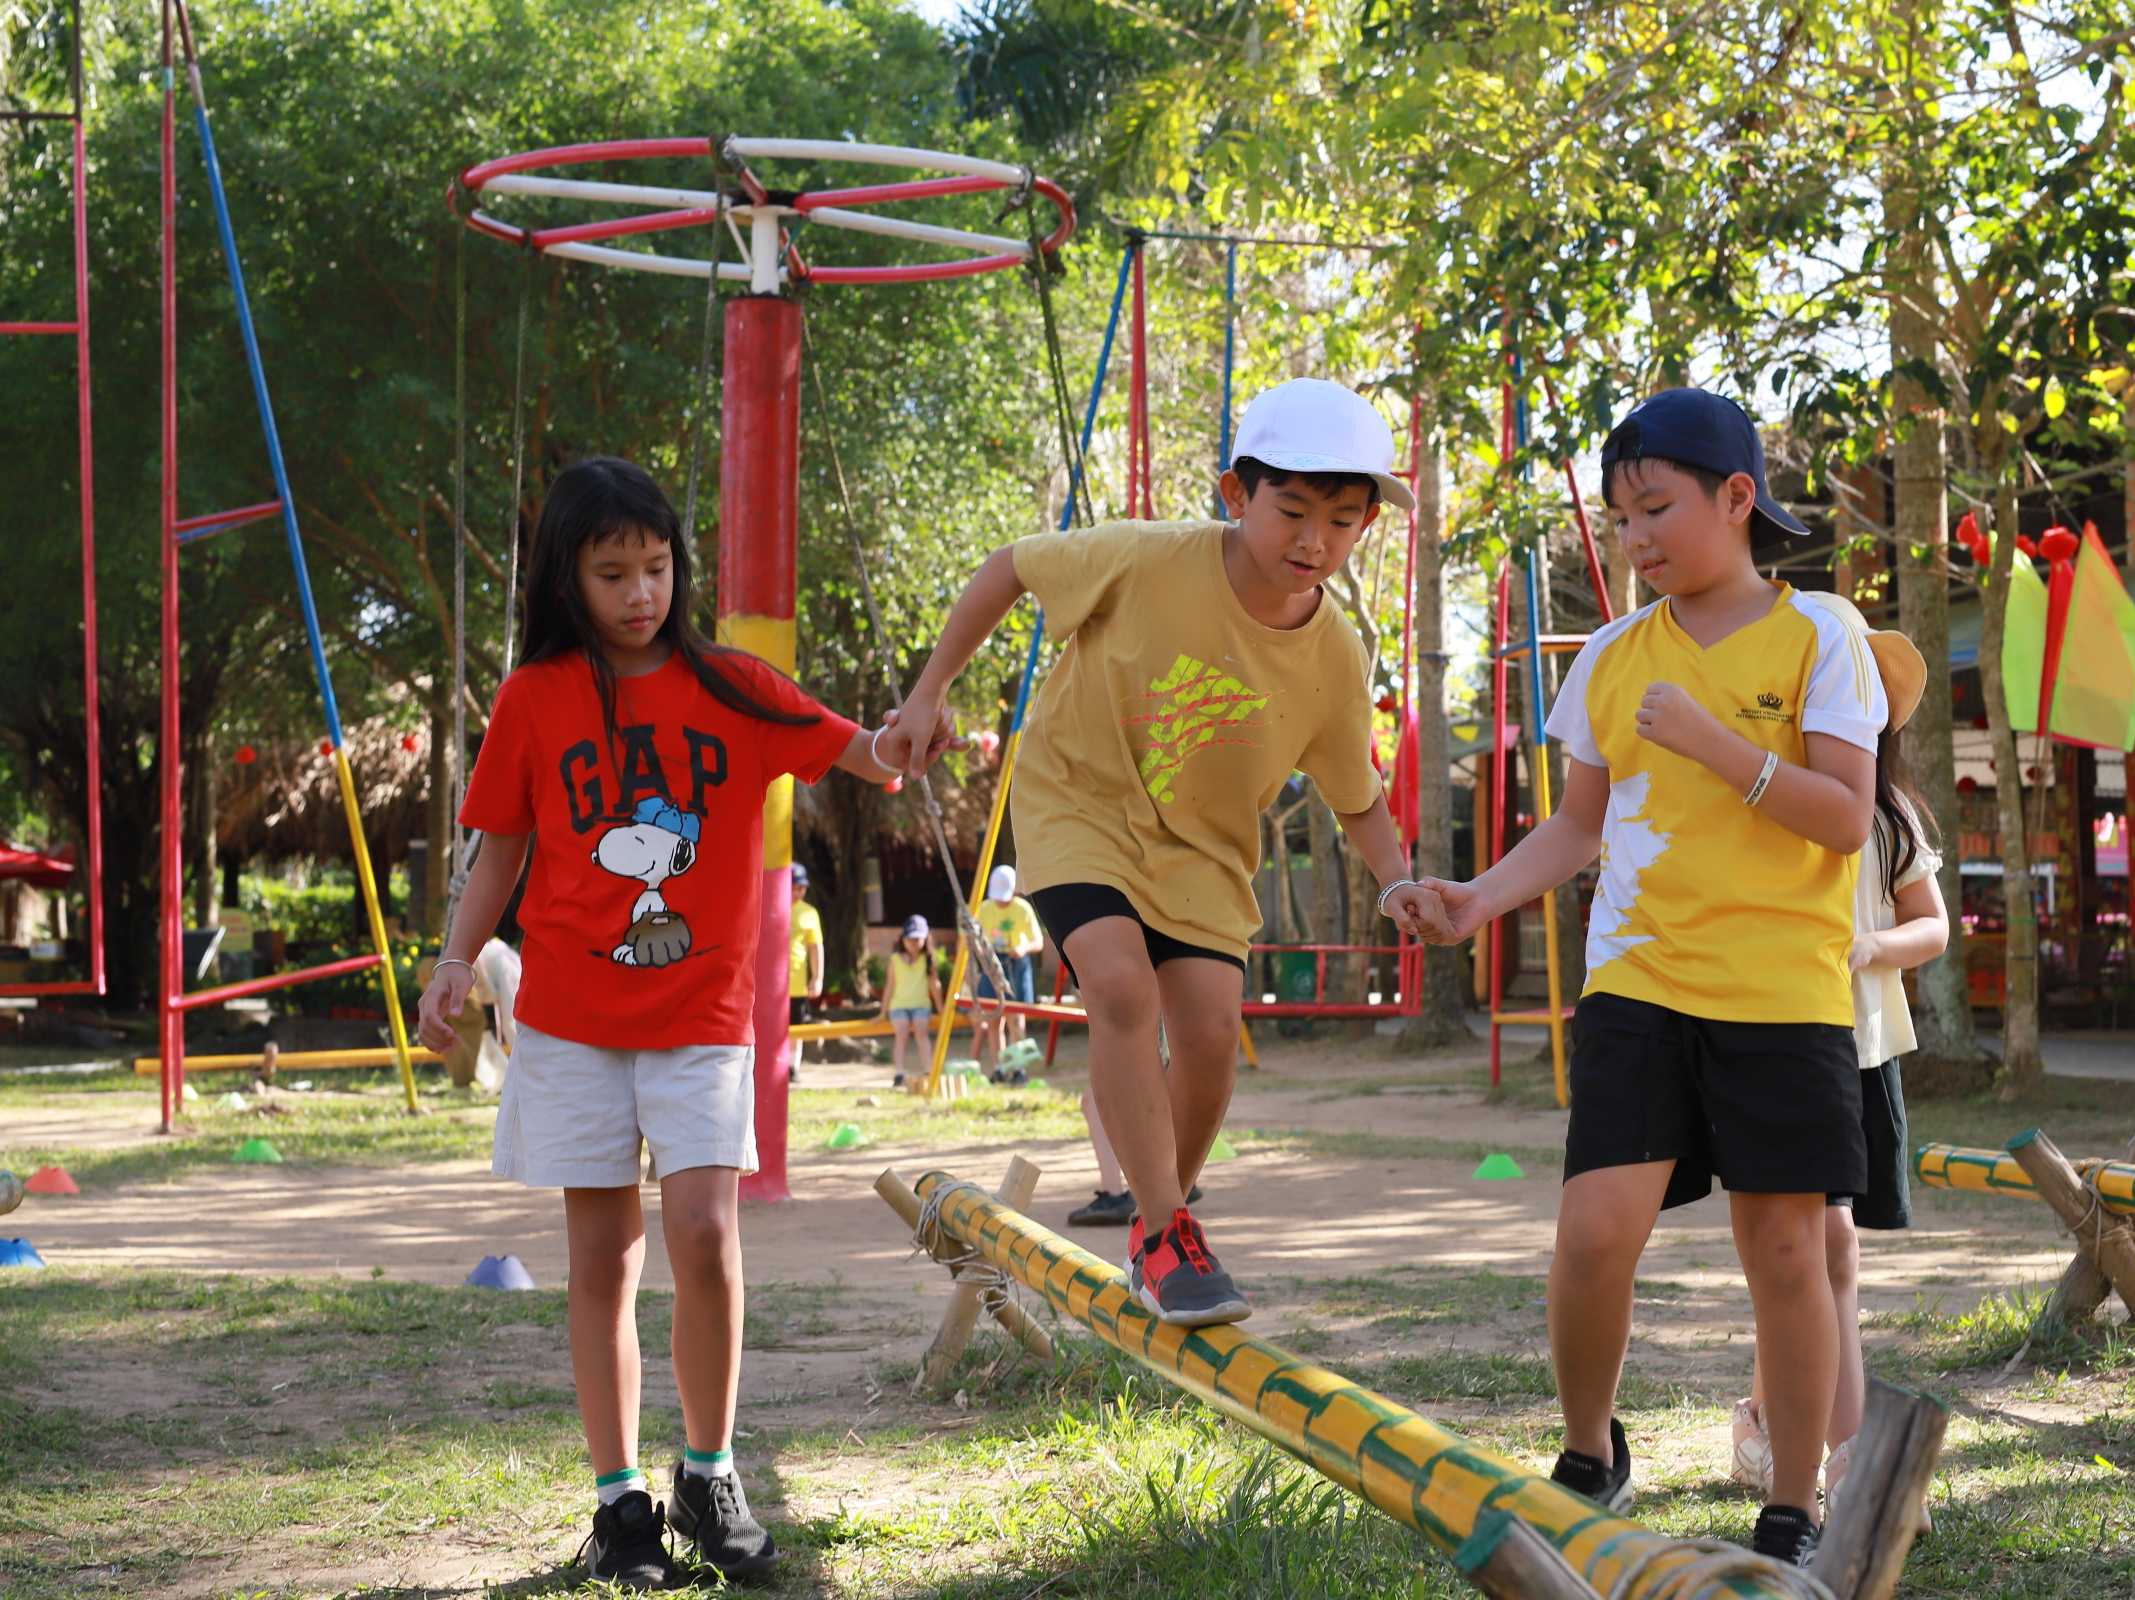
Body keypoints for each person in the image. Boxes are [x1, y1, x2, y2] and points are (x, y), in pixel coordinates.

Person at [416, 456, 944, 1590]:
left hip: (703, 1015)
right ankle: (619, 1507)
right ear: (567, 578)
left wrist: (908, 729)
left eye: (655, 567)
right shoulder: (535, 698)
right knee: (603, 1256)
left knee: (706, 1232)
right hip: (568, 1022)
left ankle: (708, 1472)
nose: (640, 592)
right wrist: (458, 956)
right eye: (613, 572)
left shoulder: (736, 685)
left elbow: (869, 758)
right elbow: (500, 841)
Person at [1413, 389, 1886, 1567]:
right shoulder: (1616, 658)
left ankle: (1794, 1495)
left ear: (1738, 500)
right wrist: (1481, 897)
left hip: (1783, 990)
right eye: (1623, 517)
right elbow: (1576, 828)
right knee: (1591, 1230)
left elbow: (1844, 817)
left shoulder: (1824, 635)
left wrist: (1720, 745)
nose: (1638, 539)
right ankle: (1588, 1452)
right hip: (1640, 977)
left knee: (1784, 1247)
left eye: (1658, 508)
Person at [888, 378, 1446, 1326]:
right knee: (1117, 985)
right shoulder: (1145, 558)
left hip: (1202, 851)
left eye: (1343, 522)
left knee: (1210, 1037)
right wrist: (931, 689)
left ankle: (1160, 1231)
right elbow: (1010, 567)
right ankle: (1164, 1221)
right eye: (1293, 511)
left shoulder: (1335, 655)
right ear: (1237, 494)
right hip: (1081, 801)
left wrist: (1399, 886)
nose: (1315, 541)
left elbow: (1357, 798)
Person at [1728, 596, 1946, 1524]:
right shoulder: (1762, 789)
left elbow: (1931, 925)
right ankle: (1830, 1451)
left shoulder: (1889, 813)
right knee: (1813, 1245)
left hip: (1856, 1046)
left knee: (1819, 1247)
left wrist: (1873, 950)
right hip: (1775, 1033)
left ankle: (1778, 1428)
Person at [973, 864, 1043, 1082]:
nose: (1002, 901)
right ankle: (999, 1068)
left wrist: (1023, 948)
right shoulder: (984, 909)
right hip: (992, 965)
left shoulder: (1023, 909)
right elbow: (973, 939)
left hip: (1017, 964)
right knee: (994, 1020)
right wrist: (982, 952)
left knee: (1016, 1019)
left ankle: (1019, 1068)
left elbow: (1038, 941)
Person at [883, 915, 938, 1090]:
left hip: (921, 1005)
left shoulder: (928, 959)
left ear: (925, 939)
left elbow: (935, 985)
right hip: (899, 1005)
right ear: (903, 939)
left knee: (921, 1030)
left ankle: (929, 1070)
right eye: (910, 939)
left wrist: (941, 1008)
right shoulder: (895, 960)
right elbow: (889, 986)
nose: (913, 943)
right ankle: (899, 1072)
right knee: (902, 1031)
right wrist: (883, 1011)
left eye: (917, 939)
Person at [787, 864, 823, 1065]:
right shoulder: (769, 904)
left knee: (797, 1027)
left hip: (797, 984)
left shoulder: (809, 912)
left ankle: (793, 1067)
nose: (797, 892)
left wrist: (817, 978)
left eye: (801, 887)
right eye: (793, 886)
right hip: (770, 985)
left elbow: (815, 947)